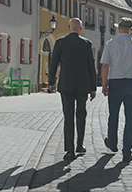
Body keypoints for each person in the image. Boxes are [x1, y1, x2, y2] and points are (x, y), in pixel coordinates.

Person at [48, 18, 97, 160]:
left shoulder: (60, 42)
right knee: (81, 114)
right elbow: (91, 67)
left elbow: (53, 63)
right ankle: (79, 145)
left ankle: (69, 150)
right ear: (80, 29)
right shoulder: (87, 44)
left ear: (69, 27)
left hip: (66, 84)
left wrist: (52, 81)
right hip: (83, 85)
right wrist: (93, 88)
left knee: (68, 116)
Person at [100, 17, 132, 162]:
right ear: (131, 30)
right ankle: (127, 151)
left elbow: (105, 66)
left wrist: (104, 84)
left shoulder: (111, 44)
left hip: (115, 83)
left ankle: (113, 143)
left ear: (119, 29)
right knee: (130, 118)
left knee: (113, 115)